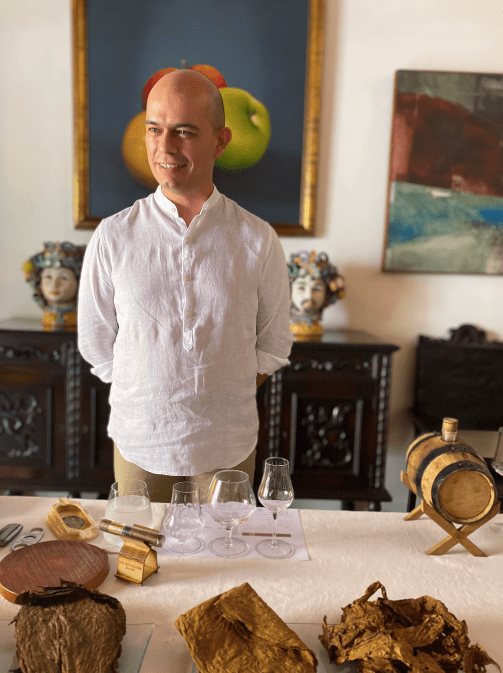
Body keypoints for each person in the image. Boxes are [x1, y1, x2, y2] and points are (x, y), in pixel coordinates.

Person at [78, 69, 293, 503]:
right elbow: (96, 343)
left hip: (228, 445)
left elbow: (272, 345)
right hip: (140, 443)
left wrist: (213, 392)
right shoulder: (113, 236)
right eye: (154, 129)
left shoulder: (257, 238)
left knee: (225, 545)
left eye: (184, 131)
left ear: (221, 141)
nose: (165, 147)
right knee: (141, 547)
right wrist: (154, 391)